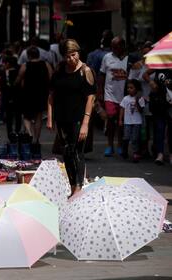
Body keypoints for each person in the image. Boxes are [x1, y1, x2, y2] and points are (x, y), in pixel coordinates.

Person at [47, 39, 96, 196]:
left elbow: (91, 98)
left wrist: (86, 123)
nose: (71, 59)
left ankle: (79, 188)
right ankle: (72, 185)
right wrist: (50, 117)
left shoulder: (86, 71)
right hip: (62, 118)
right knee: (66, 153)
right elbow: (51, 95)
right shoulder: (60, 70)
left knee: (77, 153)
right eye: (67, 56)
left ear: (78, 53)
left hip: (79, 118)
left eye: (73, 55)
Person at [16, 46, 52, 160]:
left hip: (28, 94)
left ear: (28, 55)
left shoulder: (25, 65)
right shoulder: (45, 64)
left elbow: (18, 78)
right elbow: (51, 76)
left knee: (26, 116)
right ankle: (36, 140)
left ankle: (30, 135)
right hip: (41, 93)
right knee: (38, 117)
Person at [99, 36, 130, 157]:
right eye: (112, 47)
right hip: (110, 95)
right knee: (111, 119)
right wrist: (100, 92)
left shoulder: (129, 59)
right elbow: (101, 75)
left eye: (116, 47)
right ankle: (110, 145)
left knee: (121, 123)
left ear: (123, 46)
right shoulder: (107, 57)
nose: (113, 49)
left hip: (124, 95)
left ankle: (120, 145)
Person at [119, 79, 145, 162]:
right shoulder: (125, 98)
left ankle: (135, 153)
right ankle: (124, 151)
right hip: (127, 122)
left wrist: (137, 101)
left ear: (136, 89)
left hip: (137, 122)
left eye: (131, 88)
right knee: (126, 137)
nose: (129, 89)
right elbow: (122, 109)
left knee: (135, 138)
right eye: (128, 88)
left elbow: (141, 110)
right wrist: (120, 119)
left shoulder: (140, 98)